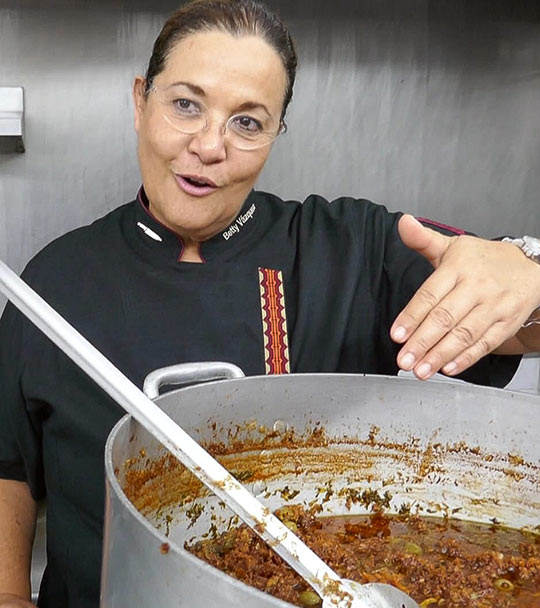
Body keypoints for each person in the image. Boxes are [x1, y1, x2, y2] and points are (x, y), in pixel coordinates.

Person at [0, 1, 539, 606]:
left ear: (276, 133)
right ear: (139, 101)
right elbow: (7, 468)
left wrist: (525, 273)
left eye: (248, 123)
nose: (209, 145)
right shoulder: (53, 281)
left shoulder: (349, 248)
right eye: (185, 105)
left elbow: (511, 322)